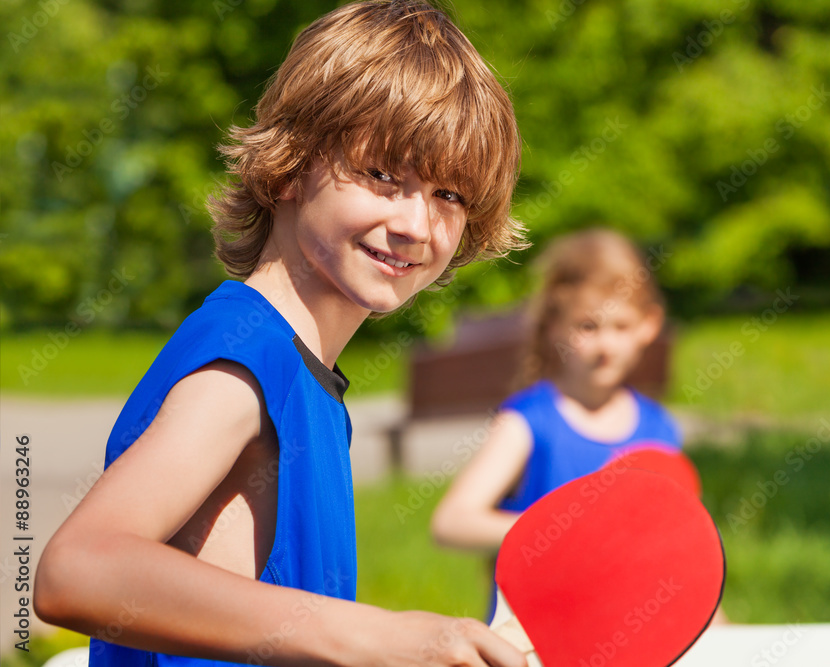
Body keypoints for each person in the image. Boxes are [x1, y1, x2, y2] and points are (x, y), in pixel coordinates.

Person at [33, 2, 528, 666]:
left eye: (450, 195)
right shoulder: (244, 366)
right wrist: (378, 634)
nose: (417, 223)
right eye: (383, 175)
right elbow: (77, 571)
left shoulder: (306, 381)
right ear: (291, 164)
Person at [430, 229, 682, 617]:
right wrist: (562, 532)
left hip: (622, 631)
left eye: (621, 327)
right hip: (534, 635)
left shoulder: (660, 429)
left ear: (649, 325)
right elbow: (451, 522)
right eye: (587, 327)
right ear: (553, 326)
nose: (605, 347)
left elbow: (675, 550)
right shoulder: (529, 421)